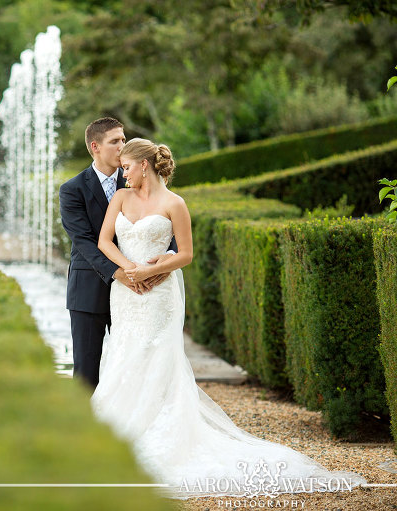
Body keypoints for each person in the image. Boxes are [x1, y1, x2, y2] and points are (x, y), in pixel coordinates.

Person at [92, 137, 365, 498]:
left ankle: (157, 432)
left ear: (145, 165)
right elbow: (104, 242)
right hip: (127, 292)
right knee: (125, 354)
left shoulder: (175, 204)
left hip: (159, 295)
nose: (122, 172)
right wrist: (131, 271)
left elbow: (186, 254)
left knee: (157, 357)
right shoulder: (121, 198)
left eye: (126, 166)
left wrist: (155, 269)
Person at [59, 118, 176, 390]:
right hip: (90, 291)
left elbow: (167, 226)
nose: (122, 146)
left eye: (124, 139)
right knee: (87, 374)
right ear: (95, 147)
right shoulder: (72, 190)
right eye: (115, 141)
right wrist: (120, 274)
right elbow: (85, 242)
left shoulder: (140, 180)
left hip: (139, 295)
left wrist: (168, 258)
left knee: (137, 368)